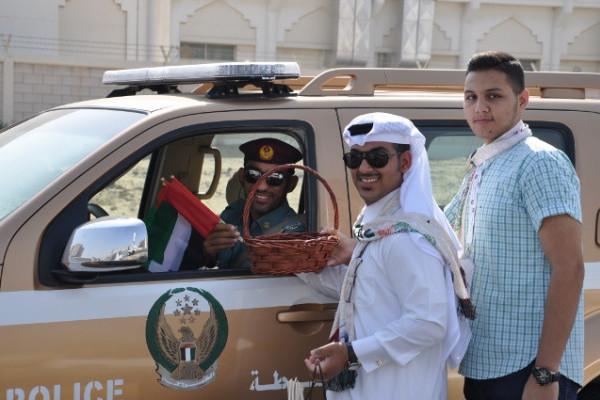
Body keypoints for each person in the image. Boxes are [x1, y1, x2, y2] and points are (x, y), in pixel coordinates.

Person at [298, 112, 474, 399]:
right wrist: (300, 263)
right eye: (355, 159)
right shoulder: (379, 224)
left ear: (405, 163)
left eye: (377, 157)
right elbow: (364, 292)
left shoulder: (407, 236)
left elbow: (429, 323)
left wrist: (351, 354)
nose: (364, 167)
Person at [444, 51, 584, 399]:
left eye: (494, 96)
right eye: (471, 97)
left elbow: (570, 269)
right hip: (486, 362)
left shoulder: (539, 162)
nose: (480, 108)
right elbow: (436, 232)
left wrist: (545, 374)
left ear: (522, 100)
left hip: (526, 369)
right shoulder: (485, 164)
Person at [202, 137, 306, 269]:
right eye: (253, 175)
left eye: (275, 178)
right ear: (241, 177)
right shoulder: (231, 215)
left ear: (291, 184)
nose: (261, 186)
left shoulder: (294, 236)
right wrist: (207, 254)